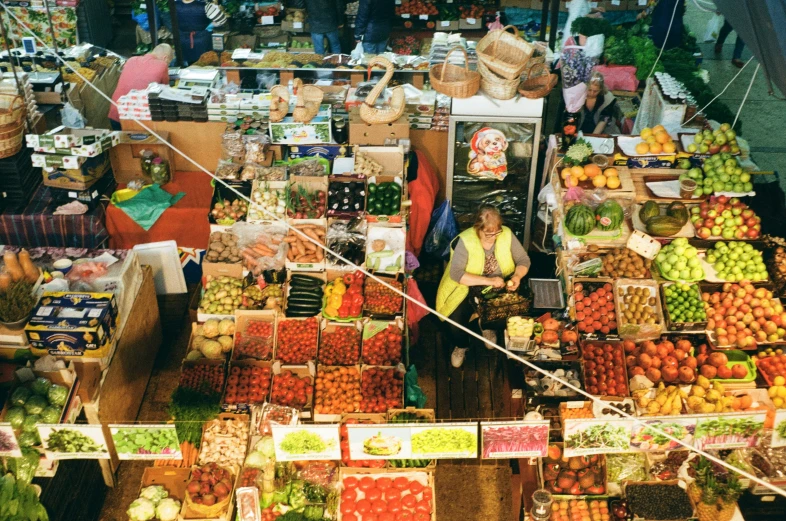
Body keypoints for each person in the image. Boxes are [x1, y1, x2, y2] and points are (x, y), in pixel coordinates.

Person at [436, 205, 531, 368]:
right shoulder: (465, 241)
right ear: (477, 228)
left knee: (503, 316)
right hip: (466, 287)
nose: (493, 237)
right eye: (488, 233)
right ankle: (461, 346)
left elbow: (523, 260)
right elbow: (457, 274)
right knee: (454, 325)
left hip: (498, 288)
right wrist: (490, 281)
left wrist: (517, 276)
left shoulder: (507, 234)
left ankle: (486, 326)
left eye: (496, 232)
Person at [108, 44, 173, 130]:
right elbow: (165, 92)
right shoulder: (162, 65)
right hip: (138, 119)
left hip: (115, 114)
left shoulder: (131, 60)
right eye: (168, 62)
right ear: (165, 58)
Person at [175, 0, 212, 65]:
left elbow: (170, 23)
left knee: (185, 70)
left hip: (184, 41)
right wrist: (209, 27)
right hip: (201, 41)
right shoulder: (205, 5)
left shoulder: (174, 5)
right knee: (204, 67)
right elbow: (221, 20)